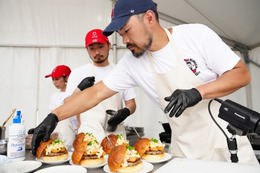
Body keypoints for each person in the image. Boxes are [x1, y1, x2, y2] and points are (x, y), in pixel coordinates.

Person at [31, 0, 258, 164]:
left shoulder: (195, 36)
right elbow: (96, 93)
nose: (125, 40)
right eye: (120, 34)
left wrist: (198, 92)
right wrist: (54, 116)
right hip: (183, 152)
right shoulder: (132, 63)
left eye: (127, 30)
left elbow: (241, 74)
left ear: (149, 17)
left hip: (224, 145)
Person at [64, 29, 136, 142]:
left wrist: (126, 111)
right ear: (86, 49)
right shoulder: (78, 73)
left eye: (100, 46)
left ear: (109, 45)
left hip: (115, 135)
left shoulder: (121, 72)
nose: (97, 52)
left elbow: (131, 103)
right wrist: (79, 89)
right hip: (89, 134)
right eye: (92, 48)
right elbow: (68, 104)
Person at [44, 65, 76, 146]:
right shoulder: (54, 96)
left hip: (70, 135)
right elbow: (51, 116)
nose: (54, 82)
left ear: (67, 78)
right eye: (53, 79)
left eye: (57, 79)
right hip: (56, 135)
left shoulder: (74, 94)